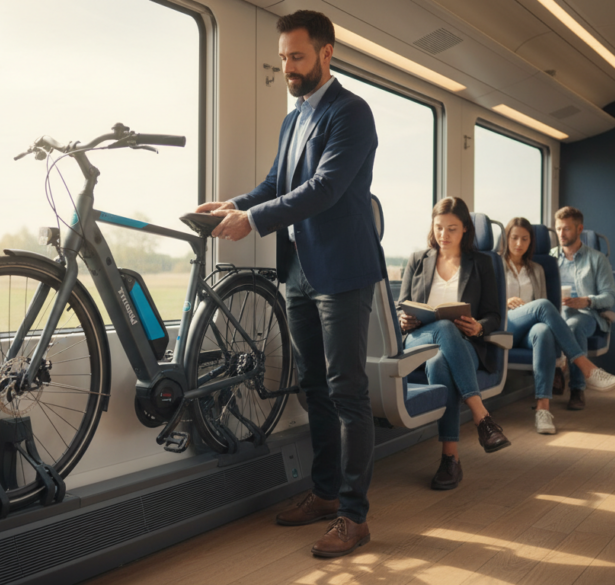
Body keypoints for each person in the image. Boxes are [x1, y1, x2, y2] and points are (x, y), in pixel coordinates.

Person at [195, 10, 385, 559]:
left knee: (347, 390)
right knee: (313, 387)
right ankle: (326, 495)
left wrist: (253, 222)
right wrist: (235, 204)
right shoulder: (294, 118)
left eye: (297, 57)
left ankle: (354, 515)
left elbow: (324, 188)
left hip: (344, 269)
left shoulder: (352, 113)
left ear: (327, 53)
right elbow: (278, 182)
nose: (288, 68)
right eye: (282, 59)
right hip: (300, 269)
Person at [397, 197, 509, 492]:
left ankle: (451, 461)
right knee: (442, 327)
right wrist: (403, 320)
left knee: (441, 362)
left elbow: (495, 315)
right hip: (420, 339)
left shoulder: (483, 263)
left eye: (452, 229)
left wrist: (480, 326)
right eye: (438, 228)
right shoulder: (417, 259)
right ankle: (482, 417)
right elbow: (401, 306)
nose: (443, 235)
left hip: (464, 345)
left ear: (465, 230)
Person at [503, 217, 615, 433]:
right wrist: (505, 302)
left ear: (531, 242)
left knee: (543, 332)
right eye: (514, 238)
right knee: (543, 306)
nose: (519, 244)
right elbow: (486, 304)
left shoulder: (537, 269)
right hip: (506, 324)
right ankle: (587, 368)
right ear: (506, 239)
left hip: (530, 328)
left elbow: (540, 309)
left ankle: (543, 410)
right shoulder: (494, 265)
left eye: (524, 239)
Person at [553, 206, 615, 410]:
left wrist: (587, 301)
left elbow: (610, 297)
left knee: (573, 326)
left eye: (566, 229)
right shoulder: (549, 258)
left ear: (579, 228)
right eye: (558, 229)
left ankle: (577, 388)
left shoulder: (597, 259)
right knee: (546, 325)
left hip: (585, 315)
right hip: (555, 313)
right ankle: (557, 369)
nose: (561, 234)